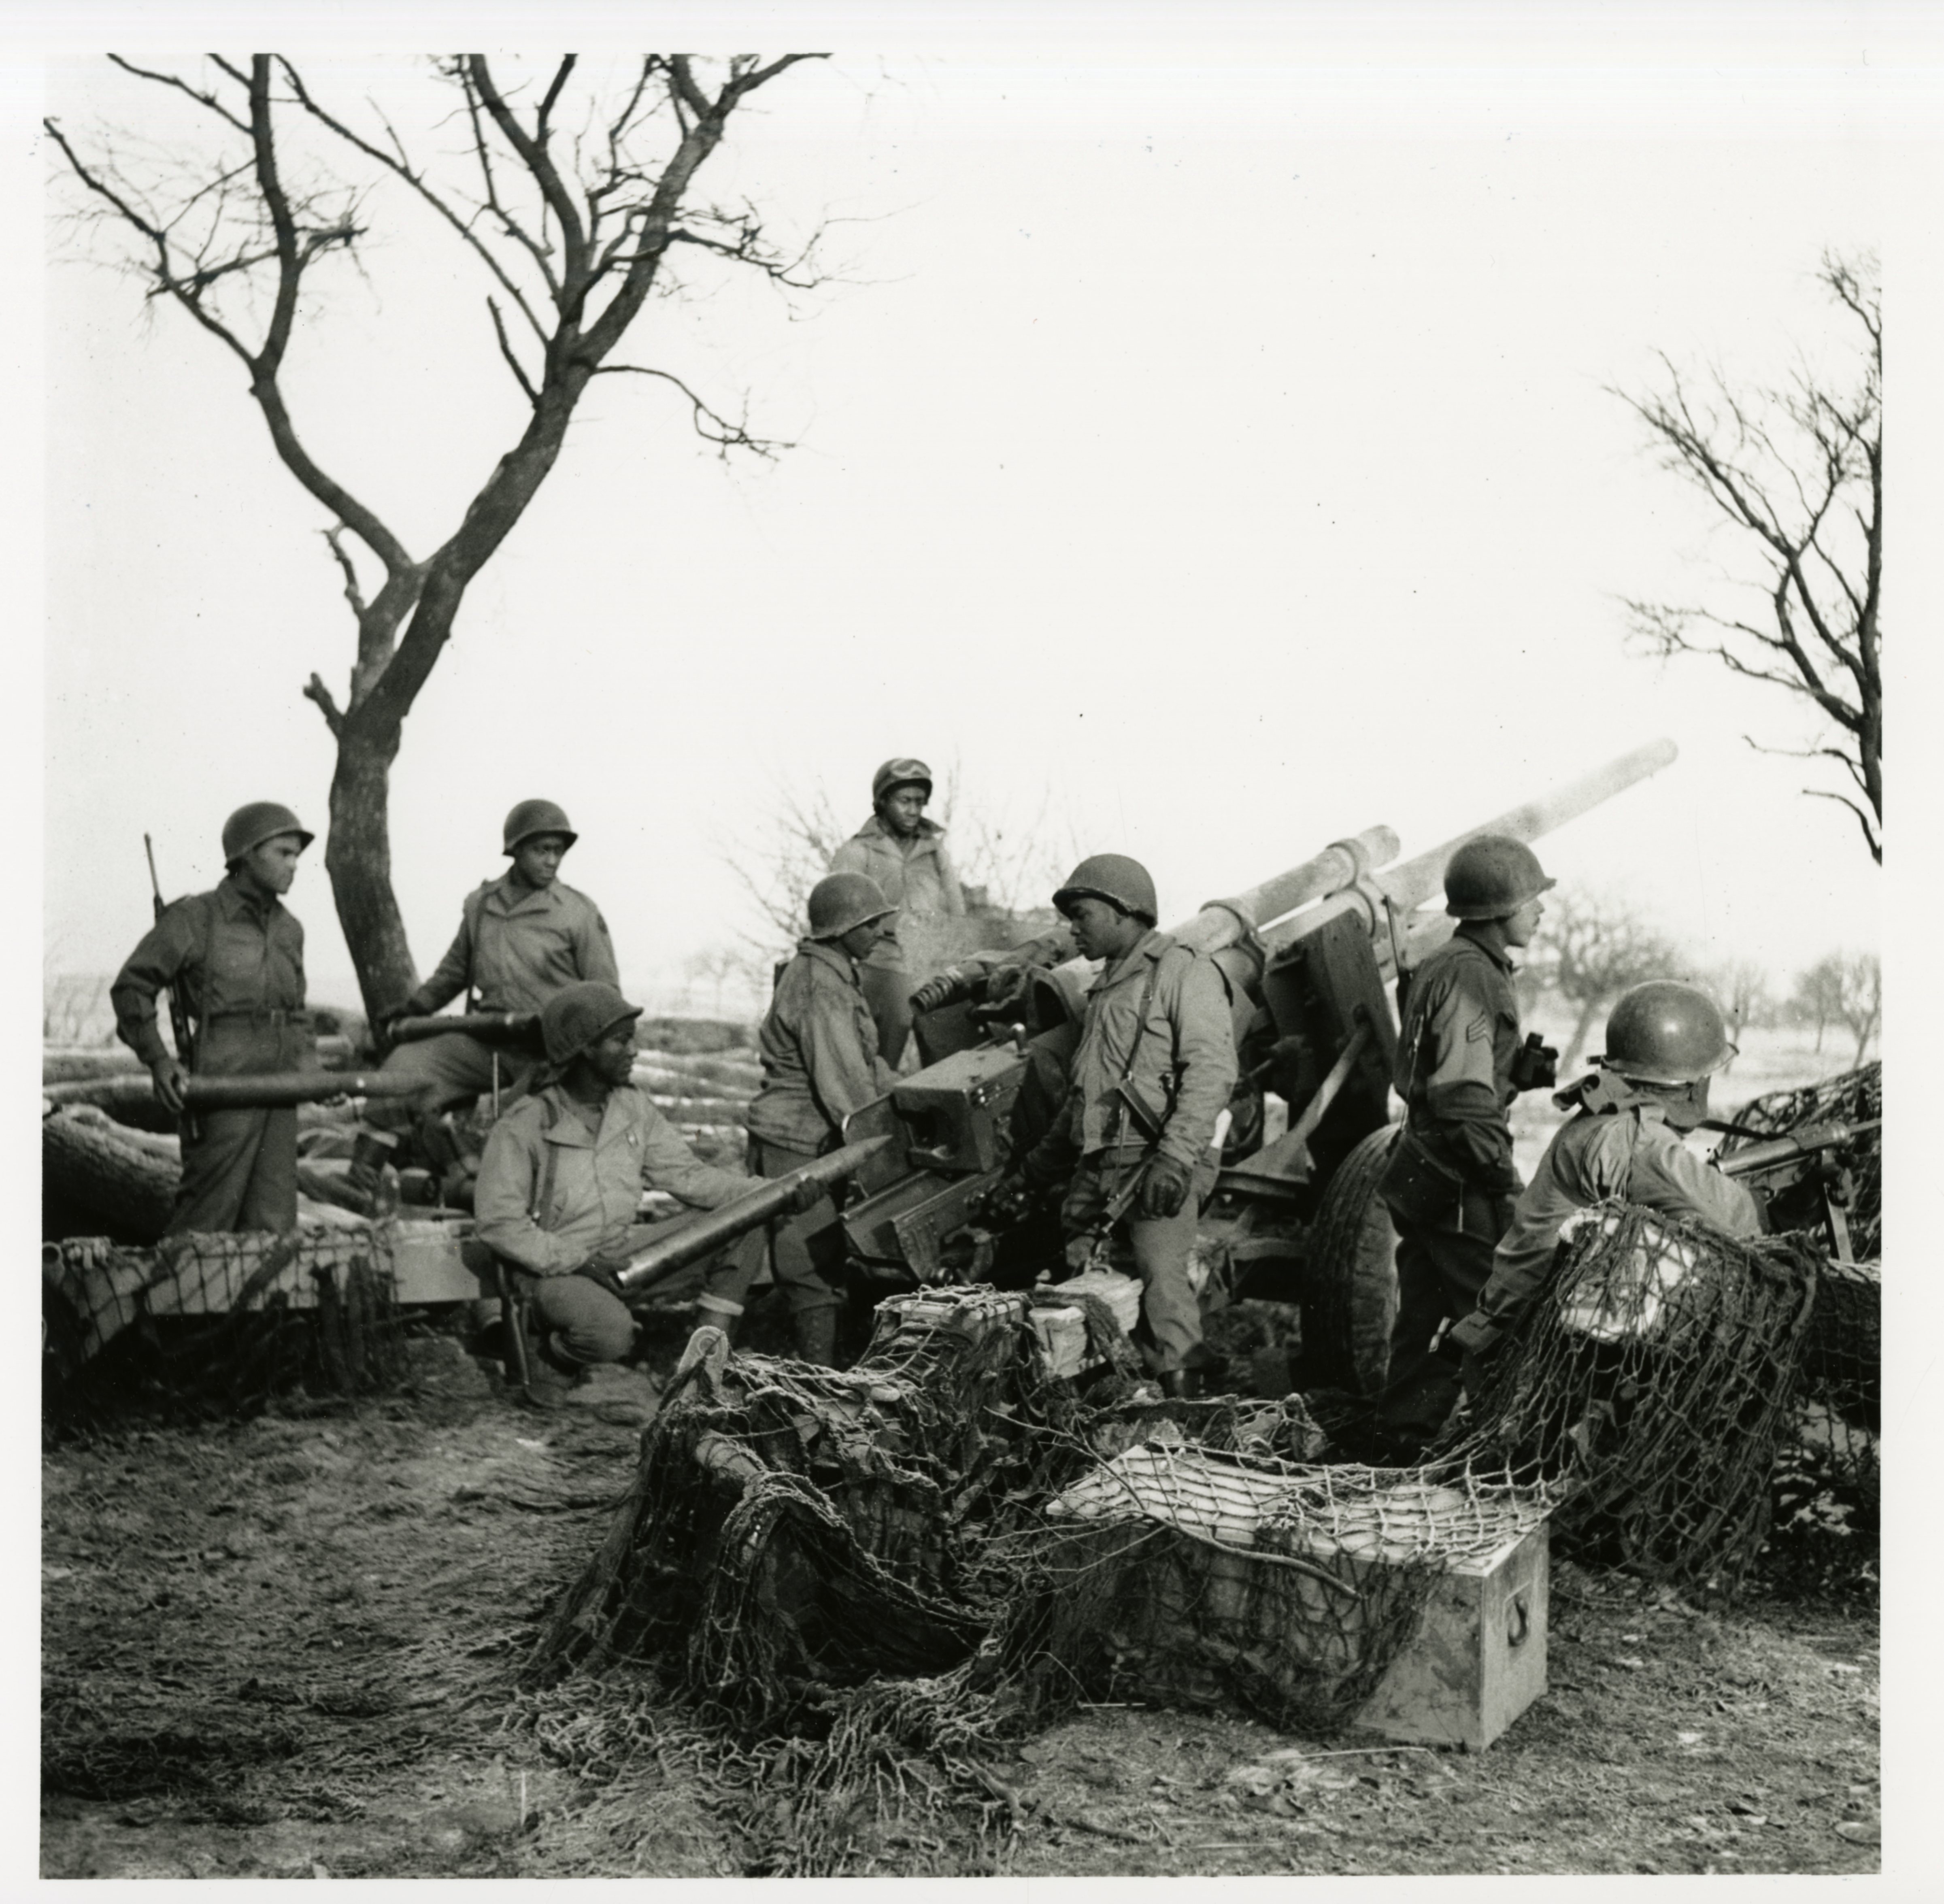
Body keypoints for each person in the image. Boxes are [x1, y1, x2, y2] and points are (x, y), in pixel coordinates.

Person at [1011, 855, 1238, 1396]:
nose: (1073, 927)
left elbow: (1212, 1070)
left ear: (1123, 910)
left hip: (1152, 1161)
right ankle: (1107, 1413)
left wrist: (1176, 1157)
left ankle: (1186, 1421)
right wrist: (1031, 1171)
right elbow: (1082, 1099)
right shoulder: (1106, 988)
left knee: (1163, 1285)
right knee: (1080, 1293)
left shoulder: (1184, 970)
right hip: (1099, 1167)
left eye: (1082, 913)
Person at [473, 981, 777, 1383]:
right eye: (620, 1041)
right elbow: (500, 1225)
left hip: (618, 1256)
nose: (633, 1050)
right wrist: (582, 1260)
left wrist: (771, 1192)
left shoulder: (632, 1107)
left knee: (745, 1220)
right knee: (610, 1335)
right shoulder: (525, 1123)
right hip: (551, 1271)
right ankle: (551, 1356)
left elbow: (687, 1176)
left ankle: (701, 1369)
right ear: (584, 1049)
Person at [1445, 981, 1764, 1362]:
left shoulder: (1605, 1116)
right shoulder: (1636, 1140)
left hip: (1513, 1329)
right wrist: (1783, 1205)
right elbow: (1736, 1220)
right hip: (1529, 1353)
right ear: (1694, 1086)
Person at [1372, 834, 1557, 1455]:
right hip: (1458, 1176)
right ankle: (1507, 1449)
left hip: (1424, 1169)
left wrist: (1512, 1071)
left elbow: (1451, 1071)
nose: (1540, 909)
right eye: (1531, 898)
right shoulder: (1474, 975)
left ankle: (1402, 1435)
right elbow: (1460, 1096)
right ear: (1495, 906)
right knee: (1500, 1308)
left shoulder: (1450, 962)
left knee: (1424, 1310)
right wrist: (1503, 1180)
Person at [345, 800, 618, 1210]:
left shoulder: (577, 913)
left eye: (557, 851)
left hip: (552, 1053)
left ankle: (492, 1192)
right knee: (403, 1068)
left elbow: (605, 997)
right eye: (540, 850)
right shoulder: (481, 904)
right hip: (488, 1041)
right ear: (514, 850)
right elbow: (455, 970)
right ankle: (359, 1184)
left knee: (514, 1125)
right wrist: (415, 1007)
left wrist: (582, 1054)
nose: (551, 861)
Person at [697, 872, 900, 1365]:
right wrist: (884, 1147)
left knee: (743, 1250)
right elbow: (845, 1086)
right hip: (798, 1142)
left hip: (785, 1134)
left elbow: (865, 1065)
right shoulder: (823, 985)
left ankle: (699, 1367)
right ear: (841, 928)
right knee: (811, 1258)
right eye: (869, 923)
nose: (879, 932)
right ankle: (817, 1380)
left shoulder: (830, 973)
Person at [111, 802, 319, 1234]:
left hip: (282, 1086)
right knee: (207, 1218)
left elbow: (297, 1012)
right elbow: (132, 987)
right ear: (246, 855)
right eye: (283, 852)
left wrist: (312, 1070)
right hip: (222, 1080)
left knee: (274, 1225)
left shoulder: (290, 929)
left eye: (297, 854)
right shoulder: (196, 919)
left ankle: (264, 1304)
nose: (294, 864)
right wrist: (159, 1059)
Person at [827, 757, 966, 1066]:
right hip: (878, 959)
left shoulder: (934, 852)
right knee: (884, 1044)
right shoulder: (858, 850)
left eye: (920, 802)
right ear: (883, 801)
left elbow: (958, 913)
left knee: (950, 1049)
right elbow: (835, 914)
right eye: (905, 801)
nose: (914, 810)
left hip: (931, 960)